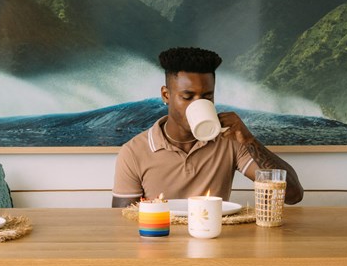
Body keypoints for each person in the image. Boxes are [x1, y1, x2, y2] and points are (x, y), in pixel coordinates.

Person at [112, 46, 303, 207]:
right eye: (187, 97)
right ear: (166, 95)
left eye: (207, 97)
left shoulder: (230, 141)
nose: (198, 104)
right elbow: (123, 222)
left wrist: (249, 140)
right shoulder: (134, 152)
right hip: (158, 246)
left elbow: (293, 195)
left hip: (215, 246)